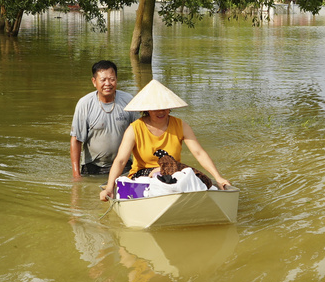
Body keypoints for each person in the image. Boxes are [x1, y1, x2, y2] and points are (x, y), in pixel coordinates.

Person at [99, 79, 231, 201]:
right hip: (143, 174)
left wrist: (218, 178)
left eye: (164, 107)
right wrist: (110, 187)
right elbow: (121, 160)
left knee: (198, 178)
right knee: (160, 175)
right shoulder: (134, 129)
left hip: (172, 172)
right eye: (155, 108)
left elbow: (199, 153)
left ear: (170, 107)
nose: (160, 111)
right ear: (147, 109)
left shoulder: (180, 125)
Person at [70, 60, 139, 178]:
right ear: (94, 81)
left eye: (112, 79)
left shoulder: (129, 101)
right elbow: (76, 140)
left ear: (117, 79)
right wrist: (76, 174)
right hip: (93, 167)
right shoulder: (84, 104)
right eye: (103, 80)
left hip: (124, 165)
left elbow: (140, 135)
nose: (108, 83)